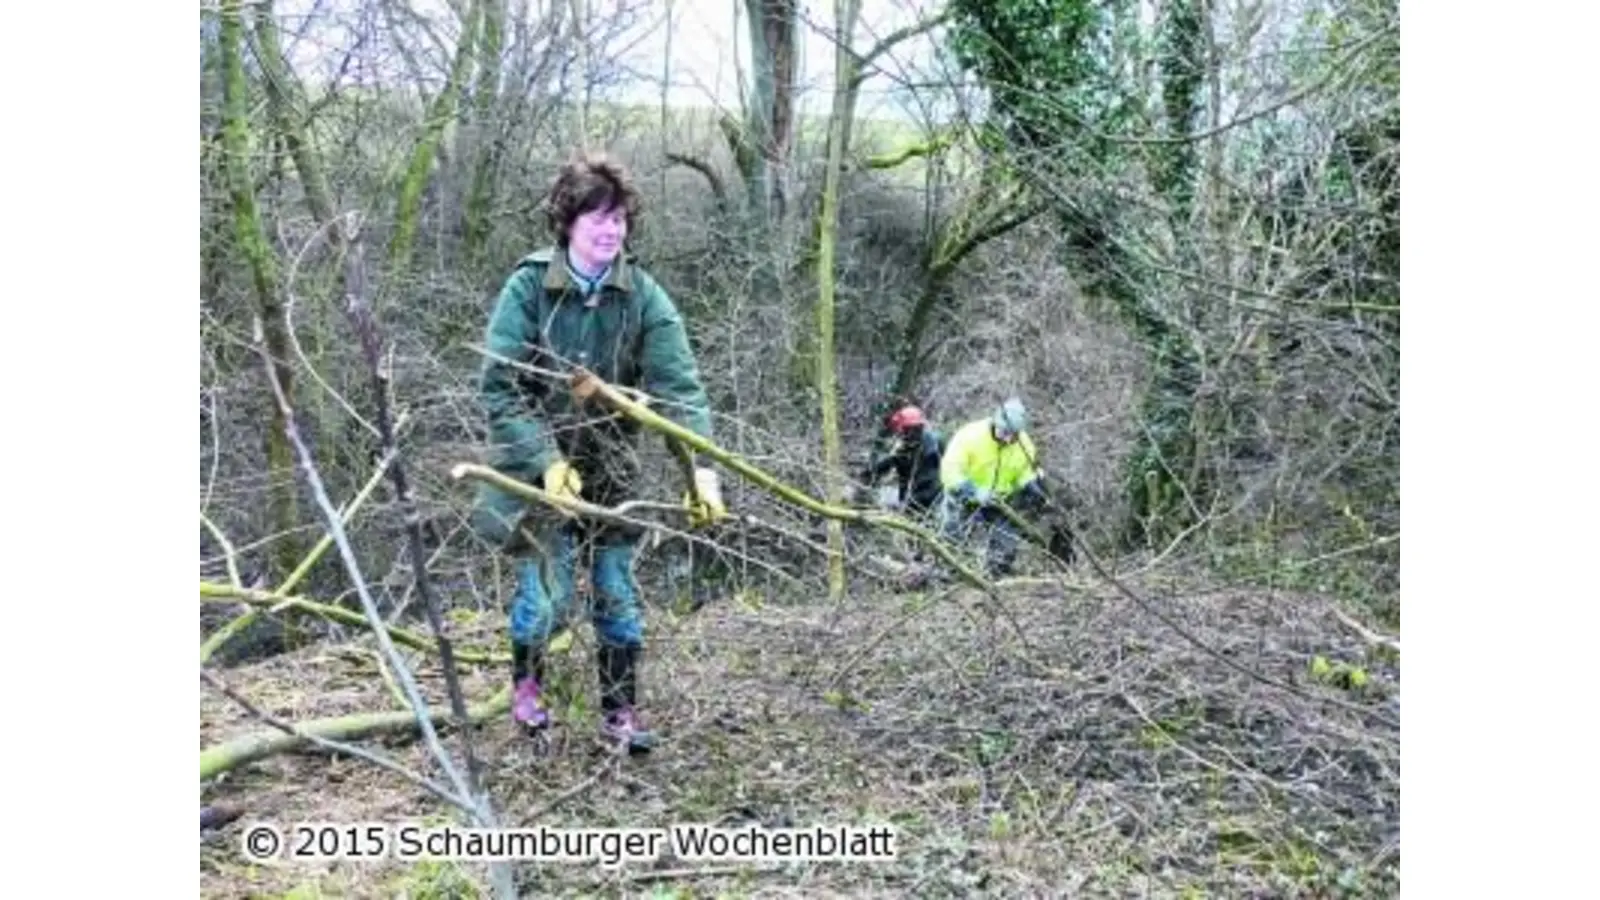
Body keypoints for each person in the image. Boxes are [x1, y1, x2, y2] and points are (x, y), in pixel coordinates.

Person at [469, 152, 727, 754]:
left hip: (613, 473)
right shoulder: (530, 288)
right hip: (536, 473)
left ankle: (619, 715)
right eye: (596, 220)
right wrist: (545, 461)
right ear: (568, 224)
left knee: (616, 592)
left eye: (618, 219)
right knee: (548, 595)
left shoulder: (644, 296)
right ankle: (528, 698)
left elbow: (679, 390)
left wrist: (702, 473)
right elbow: (500, 389)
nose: (610, 230)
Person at [937, 397, 1049, 578]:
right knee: (952, 533)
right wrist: (972, 491)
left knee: (1006, 539)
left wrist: (1031, 484)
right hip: (965, 493)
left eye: (1012, 434)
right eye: (1004, 432)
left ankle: (996, 576)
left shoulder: (1024, 444)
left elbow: (1023, 471)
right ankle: (948, 572)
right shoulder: (970, 435)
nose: (1007, 438)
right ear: (995, 422)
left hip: (1000, 499)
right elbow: (950, 470)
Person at [856, 404, 944, 516]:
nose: (910, 434)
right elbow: (880, 467)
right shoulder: (901, 448)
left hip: (929, 497)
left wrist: (909, 503)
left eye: (915, 429)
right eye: (907, 430)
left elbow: (932, 481)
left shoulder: (933, 445)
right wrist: (865, 476)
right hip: (909, 497)